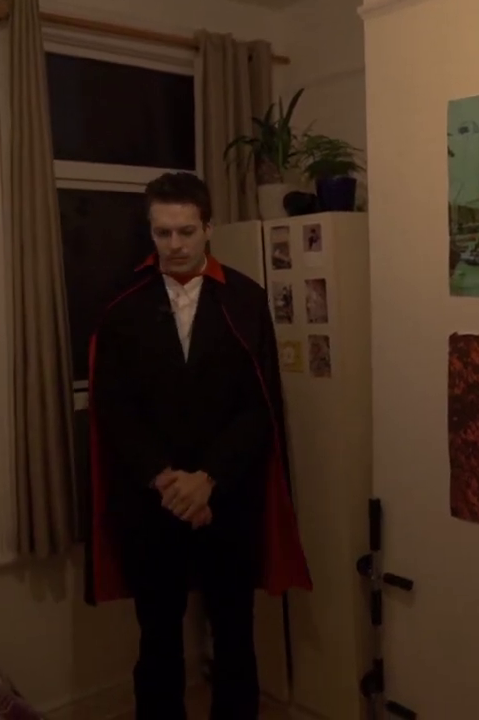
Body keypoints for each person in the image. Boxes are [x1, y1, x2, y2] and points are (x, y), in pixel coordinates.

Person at [82, 172, 312, 720]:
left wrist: (208, 479)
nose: (175, 244)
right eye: (162, 232)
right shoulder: (123, 306)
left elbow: (258, 407)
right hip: (153, 500)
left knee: (234, 634)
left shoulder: (246, 299)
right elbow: (113, 408)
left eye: (186, 231)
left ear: (209, 227)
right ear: (150, 231)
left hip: (225, 498)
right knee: (157, 638)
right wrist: (165, 479)